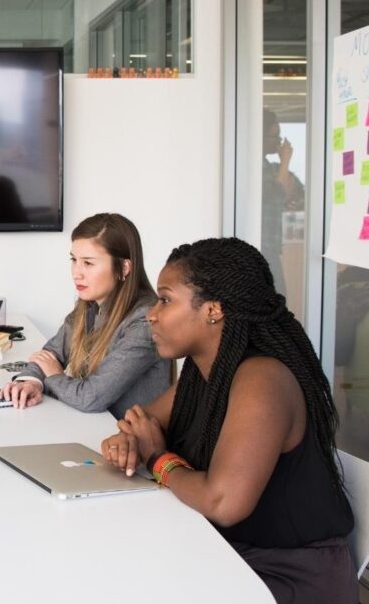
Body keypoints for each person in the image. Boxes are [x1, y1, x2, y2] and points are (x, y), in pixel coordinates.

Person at [103, 237, 355, 602]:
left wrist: (159, 460)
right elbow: (141, 423)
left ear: (213, 310)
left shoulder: (262, 378)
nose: (151, 314)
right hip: (228, 553)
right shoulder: (205, 372)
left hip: (287, 576)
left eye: (165, 299)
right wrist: (129, 441)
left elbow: (224, 503)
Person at [0, 213, 171, 418]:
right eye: (74, 260)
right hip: (98, 430)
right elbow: (51, 353)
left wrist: (54, 375)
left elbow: (91, 397)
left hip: (129, 443)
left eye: (88, 263)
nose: (76, 273)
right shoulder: (89, 305)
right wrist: (30, 382)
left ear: (124, 268)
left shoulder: (144, 322)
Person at [261, 108, 305, 293]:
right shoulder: (253, 167)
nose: (280, 141)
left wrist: (284, 167)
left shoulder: (273, 168)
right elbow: (276, 193)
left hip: (271, 246)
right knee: (276, 298)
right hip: (262, 246)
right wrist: (286, 159)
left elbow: (298, 194)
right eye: (275, 136)